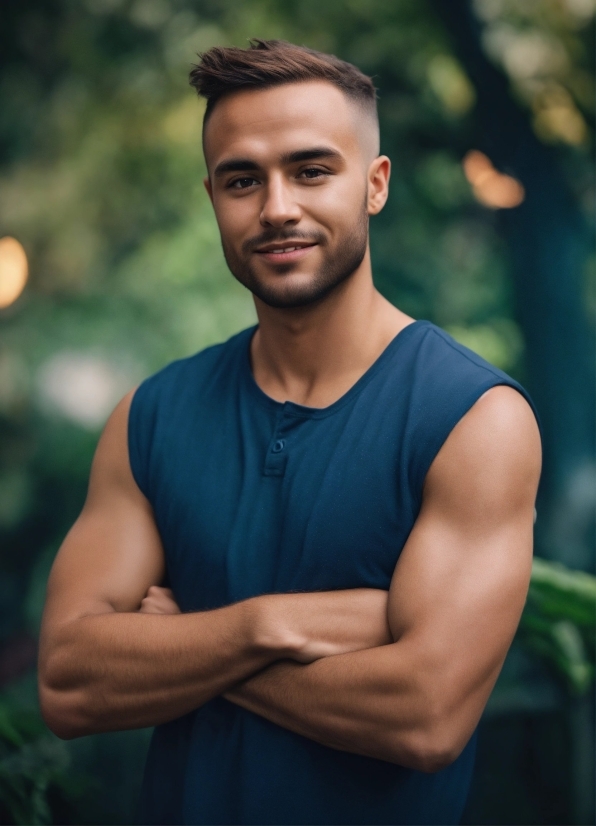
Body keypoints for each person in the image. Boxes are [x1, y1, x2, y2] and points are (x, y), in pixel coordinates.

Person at [38, 40, 542, 826]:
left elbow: (425, 715)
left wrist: (193, 645)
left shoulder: (473, 417)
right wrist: (268, 624)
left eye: (311, 171)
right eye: (243, 179)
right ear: (212, 196)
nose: (276, 207)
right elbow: (69, 682)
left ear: (374, 185)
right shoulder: (150, 417)